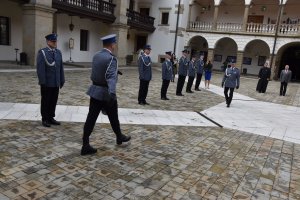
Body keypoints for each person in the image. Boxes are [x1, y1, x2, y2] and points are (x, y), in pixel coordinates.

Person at [81, 34, 131, 156]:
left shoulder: (97, 55)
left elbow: (98, 71)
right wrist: (112, 94)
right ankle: (119, 137)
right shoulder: (111, 59)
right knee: (114, 117)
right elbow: (110, 77)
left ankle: (85, 144)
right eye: (115, 43)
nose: (115, 45)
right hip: (106, 93)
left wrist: (115, 71)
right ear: (112, 44)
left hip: (95, 91)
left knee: (91, 118)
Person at [36, 33, 65, 128]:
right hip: (47, 82)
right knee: (46, 101)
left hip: (55, 82)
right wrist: (42, 81)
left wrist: (61, 79)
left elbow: (61, 67)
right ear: (48, 42)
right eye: (53, 41)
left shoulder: (58, 52)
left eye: (55, 41)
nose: (55, 43)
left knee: (53, 100)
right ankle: (45, 118)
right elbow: (40, 69)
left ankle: (51, 117)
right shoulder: (42, 52)